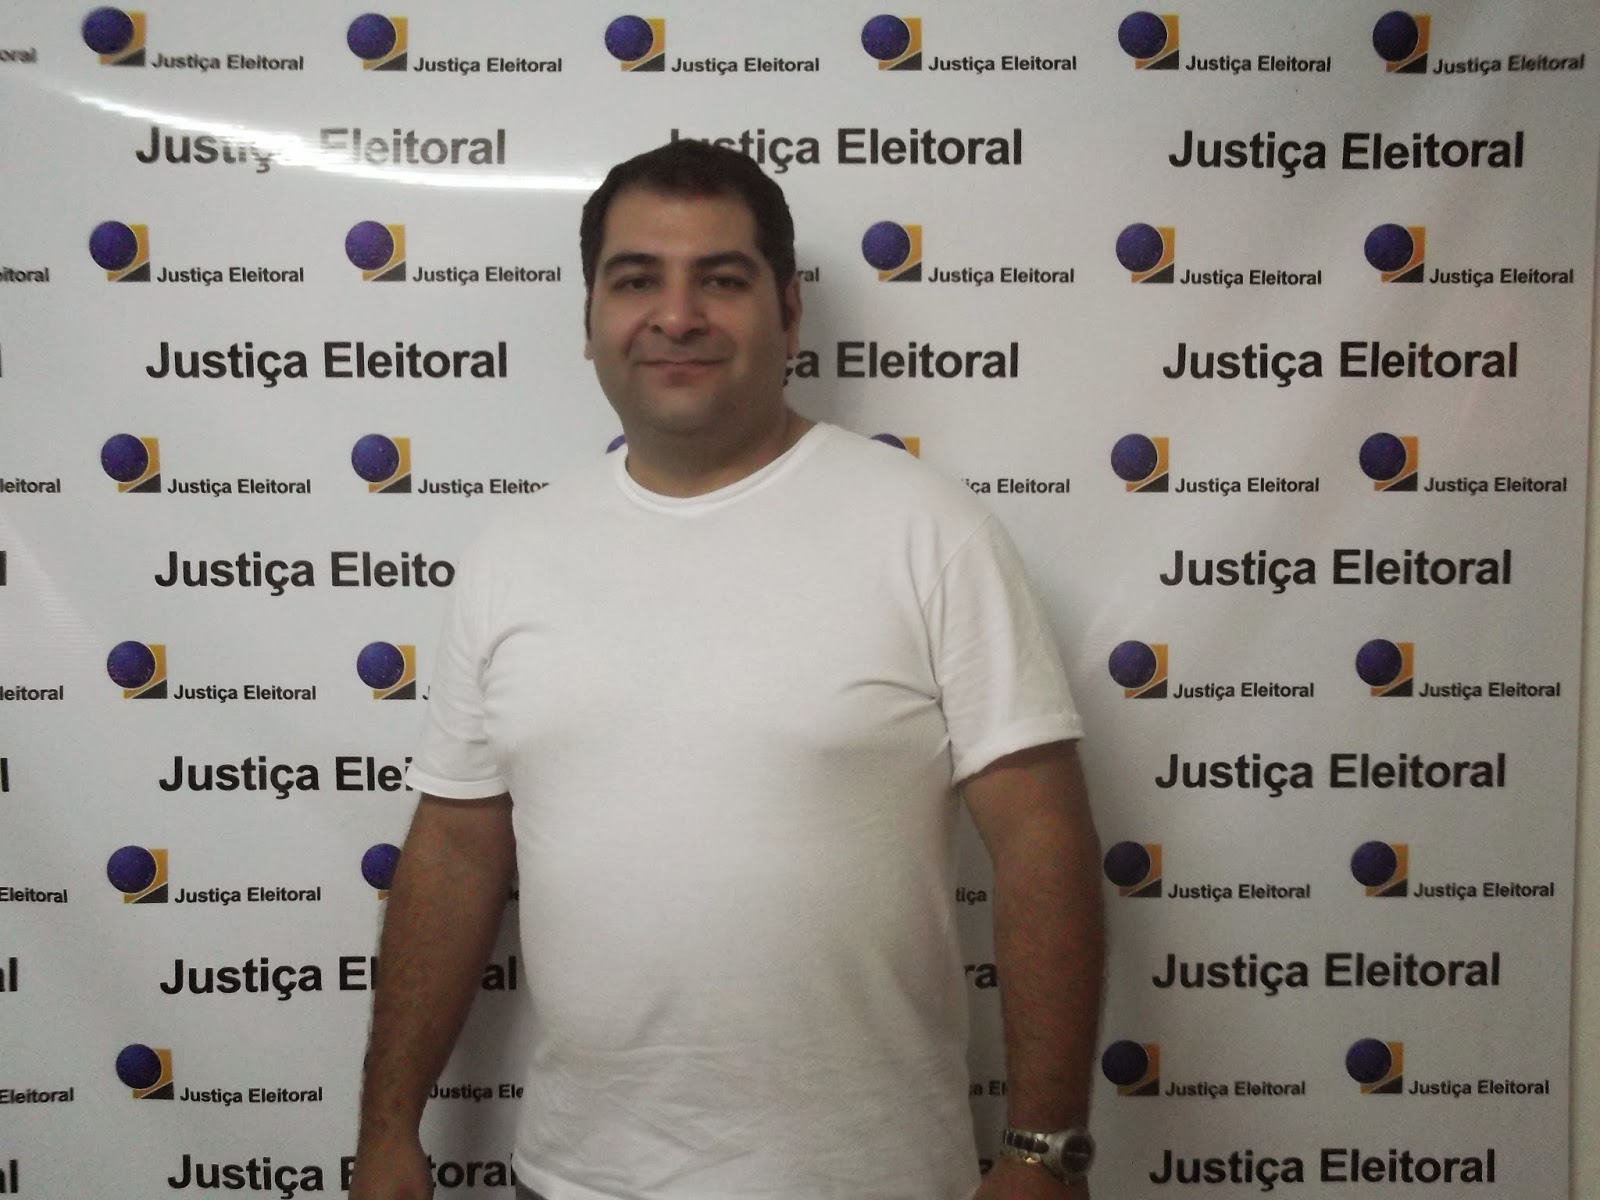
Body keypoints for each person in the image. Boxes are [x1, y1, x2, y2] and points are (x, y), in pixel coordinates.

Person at [348, 140, 1104, 1200]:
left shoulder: (928, 531)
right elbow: (455, 853)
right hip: (574, 1182)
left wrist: (1043, 1151)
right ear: (589, 320)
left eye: (721, 279)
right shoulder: (511, 554)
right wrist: (386, 1128)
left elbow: (1040, 841)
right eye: (635, 281)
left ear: (788, 312)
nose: (677, 315)